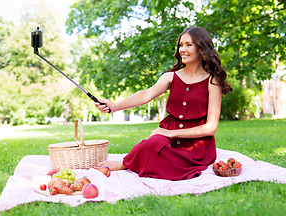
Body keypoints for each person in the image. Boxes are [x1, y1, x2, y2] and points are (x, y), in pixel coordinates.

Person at [94, 26, 232, 180]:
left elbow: (210, 128)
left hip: (195, 143)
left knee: (172, 162)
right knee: (150, 145)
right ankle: (126, 163)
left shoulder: (213, 81)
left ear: (201, 48)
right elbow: (146, 94)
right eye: (181, 45)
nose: (182, 49)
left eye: (189, 45)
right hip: (168, 131)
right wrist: (114, 106)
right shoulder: (171, 76)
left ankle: (128, 163)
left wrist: (170, 133)